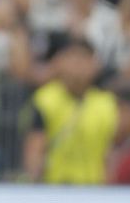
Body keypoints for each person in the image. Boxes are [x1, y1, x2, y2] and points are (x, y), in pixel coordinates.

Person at [22, 37, 118, 184]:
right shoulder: (45, 100)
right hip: (54, 188)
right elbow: (35, 149)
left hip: (94, 189)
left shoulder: (106, 104)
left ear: (95, 65)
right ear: (60, 62)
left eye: (84, 59)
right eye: (72, 58)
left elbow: (111, 154)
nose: (77, 66)